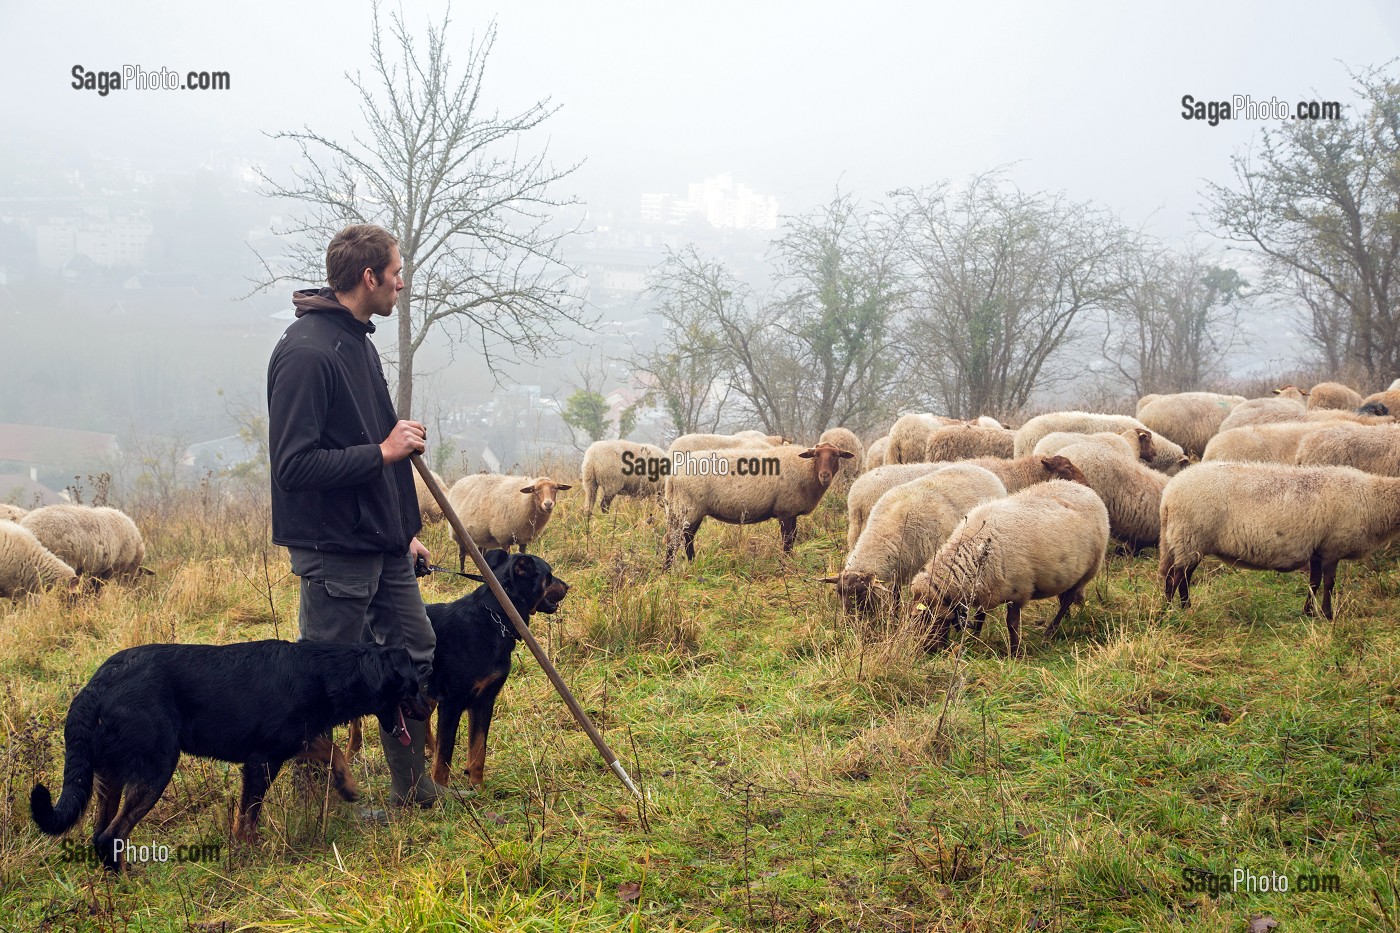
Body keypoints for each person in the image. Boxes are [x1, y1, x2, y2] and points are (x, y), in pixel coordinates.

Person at [266, 223, 448, 808]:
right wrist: (383, 452)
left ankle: (414, 791)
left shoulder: (357, 341)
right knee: (322, 682)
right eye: (396, 273)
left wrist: (405, 532)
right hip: (334, 549)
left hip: (383, 543)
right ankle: (316, 812)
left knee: (415, 652)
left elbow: (382, 445)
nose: (402, 283)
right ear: (369, 277)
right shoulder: (306, 353)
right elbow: (294, 467)